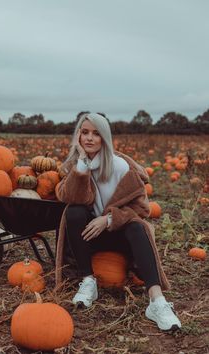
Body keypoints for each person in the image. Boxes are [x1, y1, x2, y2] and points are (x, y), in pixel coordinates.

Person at [55, 112, 181, 331]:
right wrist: (82, 166)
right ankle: (88, 281)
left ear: (105, 138)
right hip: (91, 239)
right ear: (78, 137)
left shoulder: (121, 167)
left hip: (121, 236)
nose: (90, 138)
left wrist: (109, 218)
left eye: (96, 133)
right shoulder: (76, 167)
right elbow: (71, 198)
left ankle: (156, 299)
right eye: (84, 133)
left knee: (137, 226)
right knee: (74, 212)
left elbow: (142, 209)